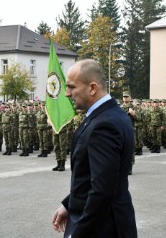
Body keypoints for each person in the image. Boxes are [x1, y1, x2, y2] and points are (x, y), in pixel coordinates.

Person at [52, 59, 137, 238]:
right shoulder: (111, 114)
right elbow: (91, 179)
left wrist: (78, 234)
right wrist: (69, 204)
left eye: (71, 87)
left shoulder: (104, 124)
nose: (67, 93)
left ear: (92, 88)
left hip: (102, 228)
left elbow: (102, 191)